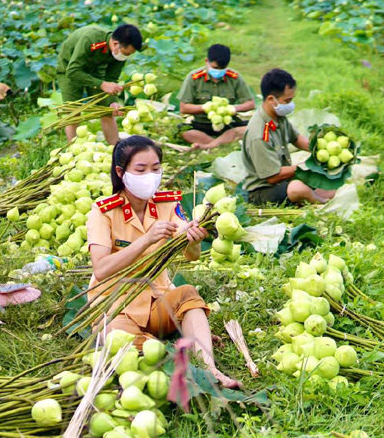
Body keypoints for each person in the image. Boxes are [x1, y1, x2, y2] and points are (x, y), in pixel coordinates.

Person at [86, 135, 241, 388]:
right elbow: (101, 269)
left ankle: (210, 369)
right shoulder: (104, 211)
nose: (150, 175)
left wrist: (192, 239)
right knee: (121, 341)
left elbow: (191, 254)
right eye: (141, 170)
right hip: (115, 305)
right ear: (121, 172)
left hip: (158, 300)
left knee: (188, 294)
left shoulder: (168, 204)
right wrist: (146, 240)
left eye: (156, 169)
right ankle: (174, 351)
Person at [241, 68, 336, 206]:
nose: (291, 104)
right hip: (263, 191)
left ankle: (311, 197)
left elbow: (296, 138)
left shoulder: (277, 116)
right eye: (288, 100)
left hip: (283, 181)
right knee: (297, 188)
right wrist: (307, 165)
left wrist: (319, 151)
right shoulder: (259, 134)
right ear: (271, 99)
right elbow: (273, 177)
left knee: (329, 181)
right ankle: (321, 203)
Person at [56, 23, 143, 145]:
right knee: (73, 113)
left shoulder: (119, 55)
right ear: (115, 44)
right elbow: (73, 71)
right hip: (70, 68)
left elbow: (111, 78)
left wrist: (112, 101)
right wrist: (101, 84)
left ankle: (115, 148)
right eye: (126, 53)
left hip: (95, 69)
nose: (127, 56)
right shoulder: (91, 39)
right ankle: (73, 150)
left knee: (107, 111)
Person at [178, 44, 256, 150]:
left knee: (256, 127)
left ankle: (210, 145)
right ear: (207, 61)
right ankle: (223, 143)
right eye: (215, 68)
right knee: (183, 131)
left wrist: (232, 109)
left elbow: (250, 104)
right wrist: (206, 108)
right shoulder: (194, 78)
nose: (218, 71)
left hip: (227, 124)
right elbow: (183, 108)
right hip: (202, 124)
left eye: (222, 68)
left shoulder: (234, 77)